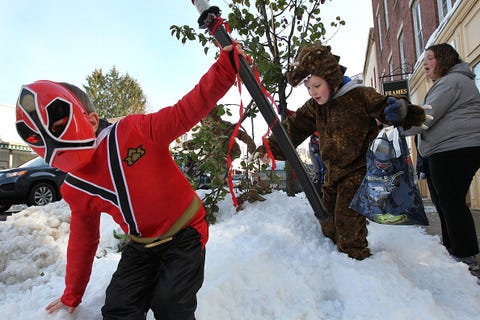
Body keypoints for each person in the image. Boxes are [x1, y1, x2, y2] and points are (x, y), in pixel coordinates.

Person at [15, 43, 244, 319]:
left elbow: (186, 110)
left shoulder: (135, 132)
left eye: (58, 126)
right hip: (141, 245)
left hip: (186, 231)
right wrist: (71, 294)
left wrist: (226, 68)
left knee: (170, 303)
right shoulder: (74, 187)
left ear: (91, 119)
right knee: (118, 308)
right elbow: (83, 240)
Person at [254, 43, 426, 260]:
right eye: (309, 88)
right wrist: (269, 148)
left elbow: (386, 108)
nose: (313, 92)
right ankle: (338, 266)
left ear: (331, 79)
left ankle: (359, 266)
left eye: (316, 85)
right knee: (328, 224)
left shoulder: (360, 95)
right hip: (332, 174)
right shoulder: (315, 107)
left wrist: (403, 111)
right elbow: (294, 127)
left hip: (358, 173)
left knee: (348, 229)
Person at [406, 43, 480, 277]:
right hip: (449, 149)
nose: (425, 64)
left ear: (444, 59)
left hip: (455, 148)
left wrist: (395, 125)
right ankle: (454, 249)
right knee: (445, 201)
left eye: (429, 58)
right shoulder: (453, 82)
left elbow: (425, 116)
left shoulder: (451, 82)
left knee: (451, 202)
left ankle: (466, 255)